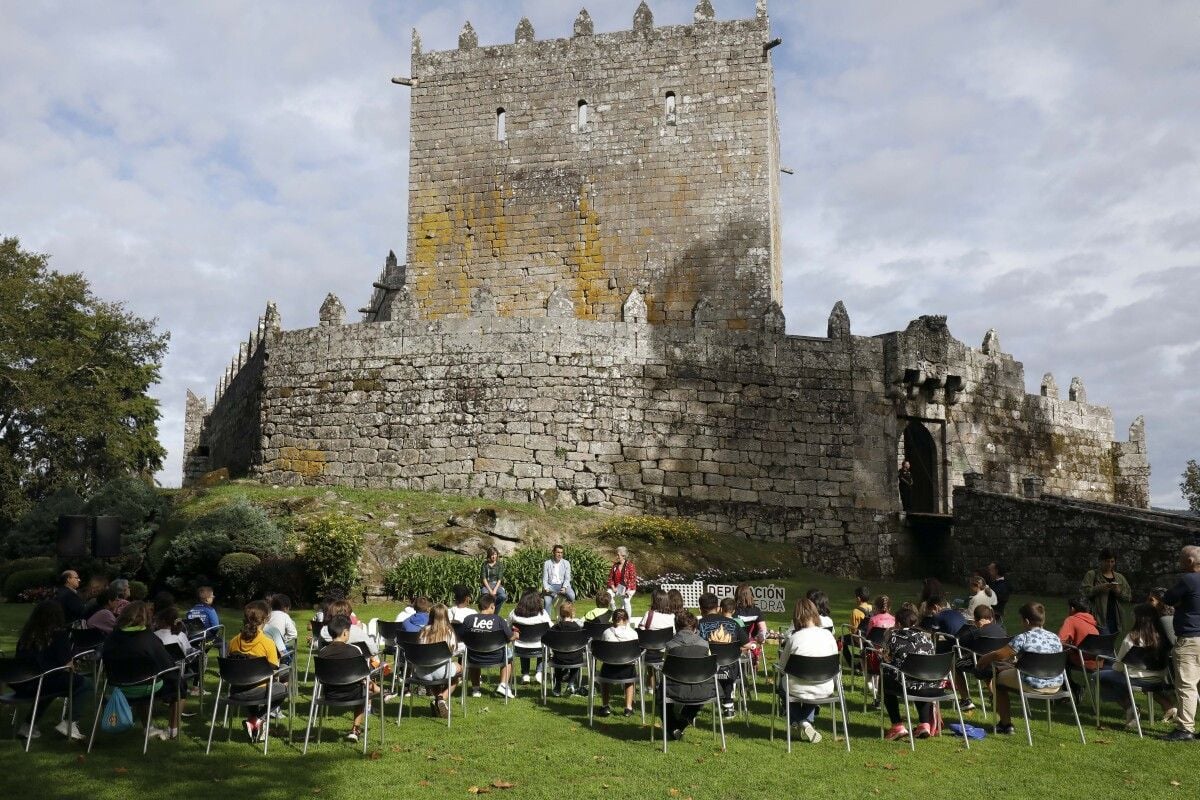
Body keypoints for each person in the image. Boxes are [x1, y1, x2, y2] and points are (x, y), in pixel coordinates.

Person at [102, 601, 185, 740]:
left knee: (143, 679)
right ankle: (173, 730)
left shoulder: (111, 638)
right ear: (146, 617)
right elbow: (169, 666)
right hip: (143, 687)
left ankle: (149, 727)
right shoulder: (149, 639)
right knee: (179, 685)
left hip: (116, 687)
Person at [977, 602, 1063, 735]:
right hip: (1055, 684)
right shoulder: (1056, 638)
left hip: (1032, 683)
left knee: (997, 680)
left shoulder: (1023, 638)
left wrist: (984, 659)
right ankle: (1005, 724)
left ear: (1027, 621)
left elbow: (1000, 654)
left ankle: (1006, 724)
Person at [12, 601, 90, 740]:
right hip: (41, 681)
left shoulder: (27, 635)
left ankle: (28, 726)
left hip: (22, 683)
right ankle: (69, 722)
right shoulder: (58, 635)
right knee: (85, 684)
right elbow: (67, 665)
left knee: (52, 688)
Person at [1097, 603, 1177, 729]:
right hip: (1159, 678)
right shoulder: (1163, 637)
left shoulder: (1132, 638)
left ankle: (1130, 708)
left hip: (1136, 678)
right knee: (1119, 677)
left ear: (1139, 618)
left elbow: (1119, 665)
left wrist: (1115, 670)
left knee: (1100, 676)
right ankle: (1167, 705)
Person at [777, 598, 838, 743]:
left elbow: (782, 667)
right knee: (809, 688)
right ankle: (806, 721)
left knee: (782, 687)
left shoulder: (794, 638)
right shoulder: (829, 636)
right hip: (825, 686)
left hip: (797, 687)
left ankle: (800, 721)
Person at [880, 606, 943, 740]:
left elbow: (885, 660)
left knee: (884, 680)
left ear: (897, 623)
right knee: (921, 679)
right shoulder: (927, 638)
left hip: (910, 686)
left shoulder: (894, 638)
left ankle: (897, 725)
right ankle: (924, 724)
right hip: (933, 686)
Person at [1162, 545, 1200, 741]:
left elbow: (1168, 598)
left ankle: (1185, 728)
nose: (1179, 561)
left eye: (1181, 558)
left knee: (1186, 684)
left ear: (1190, 561)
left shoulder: (1188, 579)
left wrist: (1180, 603)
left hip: (1191, 639)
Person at [660, 611, 712, 741]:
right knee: (699, 696)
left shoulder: (670, 646)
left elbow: (665, 668)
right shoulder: (705, 645)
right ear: (695, 628)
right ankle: (680, 724)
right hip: (701, 689)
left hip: (674, 688)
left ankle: (672, 727)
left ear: (676, 628)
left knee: (661, 695)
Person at [317, 615, 370, 742]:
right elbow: (363, 674)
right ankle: (355, 728)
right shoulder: (355, 650)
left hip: (329, 694)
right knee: (364, 689)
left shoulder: (322, 652)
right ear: (346, 632)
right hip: (353, 694)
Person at [697, 592, 747, 718]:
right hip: (731, 669)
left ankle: (697, 704)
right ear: (718, 608)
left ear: (701, 609)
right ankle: (728, 704)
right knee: (728, 664)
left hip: (705, 669)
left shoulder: (699, 625)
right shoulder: (733, 624)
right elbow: (746, 643)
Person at [951, 605, 1008, 711]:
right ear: (991, 618)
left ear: (975, 620)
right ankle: (992, 695)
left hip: (982, 666)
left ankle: (965, 700)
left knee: (955, 664)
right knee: (985, 660)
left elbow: (962, 644)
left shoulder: (975, 633)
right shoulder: (1002, 631)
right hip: (1000, 665)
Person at [462, 593, 516, 699]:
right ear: (492, 606)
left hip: (474, 657)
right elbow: (510, 638)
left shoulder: (469, 619)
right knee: (509, 654)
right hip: (497, 657)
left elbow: (462, 637)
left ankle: (475, 689)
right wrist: (516, 634)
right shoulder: (499, 620)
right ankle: (503, 685)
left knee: (472, 649)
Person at [415, 603, 461, 718]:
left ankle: (438, 698)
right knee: (460, 671)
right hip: (442, 670)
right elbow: (454, 651)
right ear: (446, 616)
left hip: (423, 672)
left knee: (433, 672)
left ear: (430, 615)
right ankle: (442, 699)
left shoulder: (423, 631)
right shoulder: (449, 631)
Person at [595, 609, 638, 717]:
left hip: (609, 669)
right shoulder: (633, 633)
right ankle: (628, 707)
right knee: (630, 679)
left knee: (603, 673)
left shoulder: (606, 632)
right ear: (627, 620)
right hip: (627, 669)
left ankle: (605, 706)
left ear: (613, 619)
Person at [1082, 549, 1132, 635]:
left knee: (1109, 643)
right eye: (1107, 561)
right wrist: (1100, 587)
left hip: (1115, 617)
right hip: (1097, 616)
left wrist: (1118, 591)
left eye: (1112, 561)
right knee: (1103, 642)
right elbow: (1085, 593)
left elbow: (1128, 597)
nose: (1109, 564)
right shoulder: (1092, 574)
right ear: (1100, 561)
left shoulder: (1119, 577)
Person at [508, 590, 551, 684]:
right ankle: (539, 672)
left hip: (520, 648)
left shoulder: (514, 613)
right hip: (540, 648)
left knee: (523, 642)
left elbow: (508, 627)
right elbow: (550, 628)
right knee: (544, 642)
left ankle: (525, 674)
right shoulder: (543, 614)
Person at [549, 602, 585, 696]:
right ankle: (571, 683)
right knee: (578, 659)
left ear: (560, 614)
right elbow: (584, 641)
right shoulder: (578, 628)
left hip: (559, 657)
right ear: (573, 613)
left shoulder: (556, 627)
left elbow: (545, 639)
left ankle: (557, 685)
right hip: (575, 658)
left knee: (556, 661)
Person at [1058, 596, 1100, 673]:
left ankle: (1064, 683)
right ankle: (1069, 683)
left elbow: (1060, 641)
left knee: (1059, 655)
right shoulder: (1092, 622)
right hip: (1097, 662)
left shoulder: (1071, 619)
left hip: (1081, 660)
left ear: (1072, 609)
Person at [843, 586, 874, 668]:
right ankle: (861, 665)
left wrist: (849, 627)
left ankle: (853, 666)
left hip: (860, 639)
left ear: (858, 598)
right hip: (871, 639)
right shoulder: (872, 608)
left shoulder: (855, 612)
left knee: (841, 640)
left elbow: (854, 631)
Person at [542, 544, 575, 615]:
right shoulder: (547, 563)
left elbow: (567, 578)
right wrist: (546, 587)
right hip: (551, 586)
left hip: (563, 585)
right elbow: (545, 579)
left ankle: (565, 614)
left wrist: (564, 587)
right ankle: (547, 622)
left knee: (572, 596)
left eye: (561, 552)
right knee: (547, 602)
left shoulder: (566, 563)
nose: (560, 554)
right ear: (553, 552)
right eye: (558, 552)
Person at [605, 546, 637, 615]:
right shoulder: (615, 566)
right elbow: (610, 578)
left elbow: (632, 580)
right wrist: (613, 588)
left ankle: (628, 621)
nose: (616, 556)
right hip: (617, 588)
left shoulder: (630, 566)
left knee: (625, 601)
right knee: (608, 594)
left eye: (618, 555)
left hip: (629, 588)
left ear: (623, 556)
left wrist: (627, 591)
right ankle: (615, 611)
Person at [480, 547, 507, 615]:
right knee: (485, 596)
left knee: (503, 596)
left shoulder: (499, 564)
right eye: (492, 554)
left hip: (497, 585)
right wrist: (490, 590)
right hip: (487, 585)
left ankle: (495, 613)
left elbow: (500, 579)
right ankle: (485, 613)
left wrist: (494, 590)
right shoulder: (485, 564)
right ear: (489, 555)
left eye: (495, 554)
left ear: (497, 555)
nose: (494, 556)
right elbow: (484, 578)